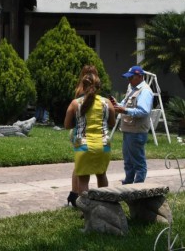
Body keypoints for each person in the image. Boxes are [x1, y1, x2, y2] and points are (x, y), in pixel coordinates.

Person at [64, 70, 116, 201]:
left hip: (83, 147)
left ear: (83, 85)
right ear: (99, 87)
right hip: (103, 146)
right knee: (102, 175)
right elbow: (112, 123)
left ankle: (86, 210)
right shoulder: (107, 103)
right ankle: (104, 204)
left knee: (83, 179)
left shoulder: (76, 103)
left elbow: (67, 125)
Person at [113, 65, 154, 184]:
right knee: (128, 160)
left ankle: (138, 187)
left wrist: (124, 110)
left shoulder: (145, 91)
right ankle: (128, 182)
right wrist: (117, 104)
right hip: (128, 129)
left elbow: (143, 111)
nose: (129, 80)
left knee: (138, 161)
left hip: (137, 132)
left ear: (140, 76)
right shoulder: (132, 87)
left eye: (131, 78)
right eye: (128, 78)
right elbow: (125, 102)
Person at [67, 65, 100, 206]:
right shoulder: (85, 94)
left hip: (78, 132)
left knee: (78, 166)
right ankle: (76, 196)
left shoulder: (78, 90)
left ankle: (74, 194)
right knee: (81, 169)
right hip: (84, 133)